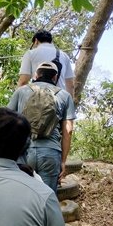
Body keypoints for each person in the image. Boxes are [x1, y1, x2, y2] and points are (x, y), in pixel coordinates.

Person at [8, 61, 76, 193]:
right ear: (55, 77)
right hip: (50, 153)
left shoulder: (21, 91)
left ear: (36, 75)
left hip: (23, 151)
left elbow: (7, 121)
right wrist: (63, 161)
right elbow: (69, 130)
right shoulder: (65, 95)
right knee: (46, 200)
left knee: (21, 196)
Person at [18, 30, 74, 96]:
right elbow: (70, 85)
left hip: (36, 98)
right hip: (59, 99)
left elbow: (23, 81)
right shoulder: (64, 56)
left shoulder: (30, 53)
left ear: (36, 41)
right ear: (51, 41)